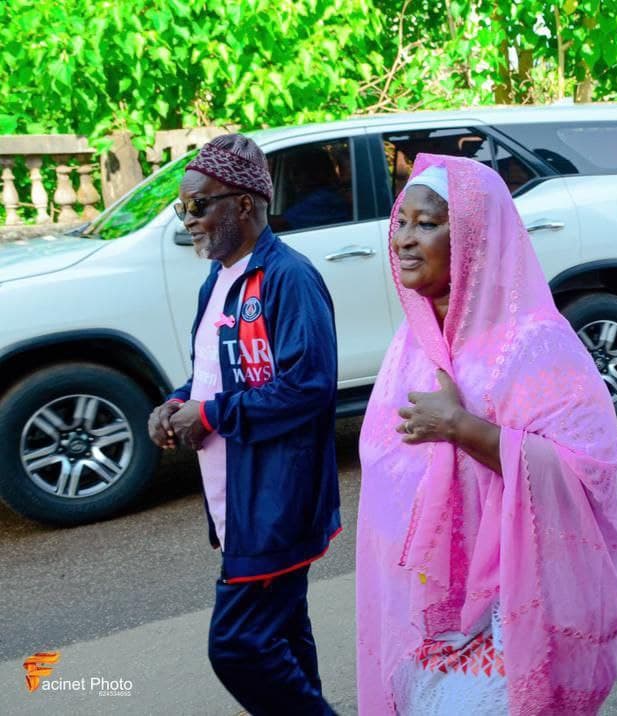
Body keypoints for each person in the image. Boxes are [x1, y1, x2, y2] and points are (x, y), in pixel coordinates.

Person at [355, 154, 617, 715]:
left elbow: (588, 468)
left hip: (505, 616)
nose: (405, 239)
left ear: (476, 238)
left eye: (428, 223)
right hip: (425, 610)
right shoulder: (413, 342)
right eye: (401, 222)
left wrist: (461, 428)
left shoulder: (534, 342)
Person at [147, 134, 341, 715]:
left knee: (237, 647)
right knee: (282, 638)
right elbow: (212, 377)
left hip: (276, 499)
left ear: (245, 204)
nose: (189, 220)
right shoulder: (219, 280)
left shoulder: (289, 277)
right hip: (239, 496)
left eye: (199, 205)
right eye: (184, 208)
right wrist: (177, 403)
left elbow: (308, 386)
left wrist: (207, 415)